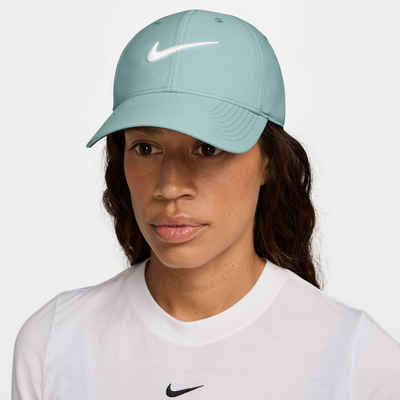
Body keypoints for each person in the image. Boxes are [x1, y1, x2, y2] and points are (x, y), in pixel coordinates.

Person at [12, 8, 400, 399]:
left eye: (208, 148)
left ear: (269, 161)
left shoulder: (357, 362)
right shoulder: (55, 344)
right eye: (146, 148)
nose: (169, 186)